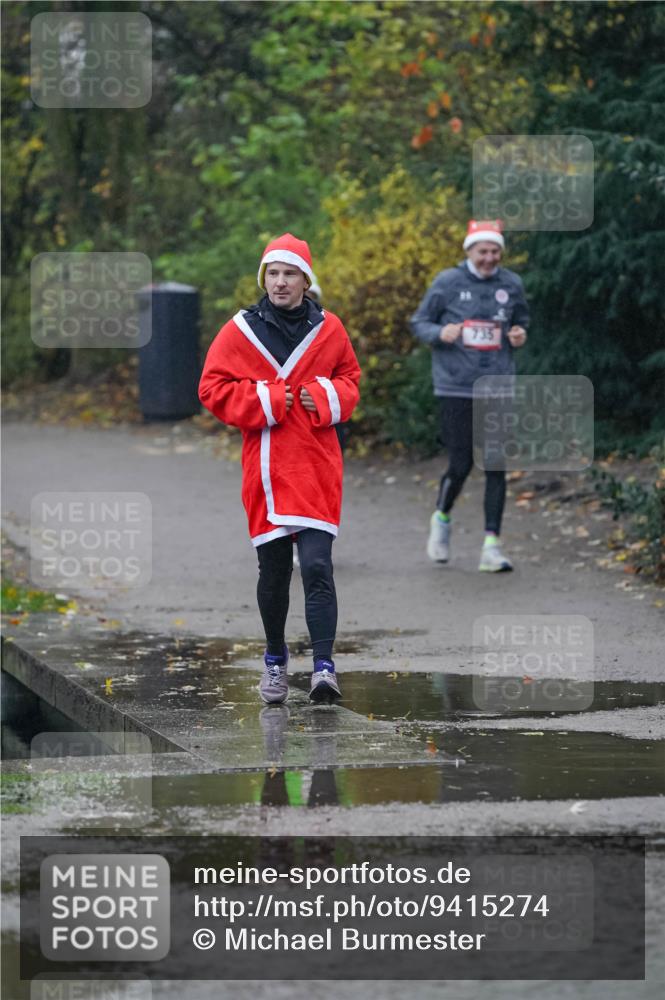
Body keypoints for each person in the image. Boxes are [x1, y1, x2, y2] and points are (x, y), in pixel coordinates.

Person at [199, 233, 361, 704]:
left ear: (306, 281)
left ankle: (324, 668)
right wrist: (268, 399)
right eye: (273, 273)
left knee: (317, 565)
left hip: (316, 464)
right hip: (266, 468)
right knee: (273, 572)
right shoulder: (240, 330)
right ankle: (275, 659)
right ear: (263, 279)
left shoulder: (329, 329)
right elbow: (211, 388)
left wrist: (326, 396)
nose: (280, 282)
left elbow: (350, 380)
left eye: (290, 273)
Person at [410, 219, 529, 572]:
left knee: (495, 465)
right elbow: (419, 322)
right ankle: (442, 517)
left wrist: (519, 334)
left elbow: (521, 321)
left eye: (495, 251)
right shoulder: (447, 282)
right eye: (483, 251)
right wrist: (440, 332)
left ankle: (492, 546)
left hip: (497, 384)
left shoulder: (511, 283)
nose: (489, 258)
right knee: (460, 464)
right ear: (469, 251)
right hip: (456, 386)